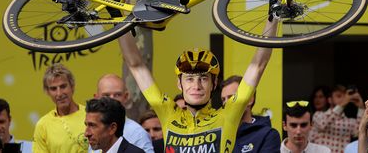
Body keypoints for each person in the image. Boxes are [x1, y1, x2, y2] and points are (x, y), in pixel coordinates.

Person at [118, 16, 277, 152]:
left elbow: (258, 65)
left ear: (214, 84)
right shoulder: (168, 113)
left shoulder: (228, 115)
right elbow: (135, 65)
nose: (196, 85)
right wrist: (117, 16)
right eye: (189, 78)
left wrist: (273, 15)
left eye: (203, 78)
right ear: (179, 84)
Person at [33, 63, 88, 153]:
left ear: (72, 86)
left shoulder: (90, 115)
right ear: (47, 92)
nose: (59, 94)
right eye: (53, 89)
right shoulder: (43, 125)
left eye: (63, 86)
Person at [94, 74, 154, 153]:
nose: (112, 100)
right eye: (106, 95)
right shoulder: (93, 130)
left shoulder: (138, 134)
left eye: (117, 95)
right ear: (96, 97)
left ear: (126, 97)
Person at [221, 75, 281, 153]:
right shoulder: (219, 135)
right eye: (223, 99)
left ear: (250, 99)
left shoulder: (267, 135)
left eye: (231, 97)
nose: (226, 103)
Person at [310, 84, 364, 153]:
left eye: (344, 96)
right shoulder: (318, 115)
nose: (344, 98)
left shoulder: (350, 121)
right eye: (338, 96)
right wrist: (342, 104)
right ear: (329, 100)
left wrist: (361, 107)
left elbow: (358, 133)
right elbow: (322, 125)